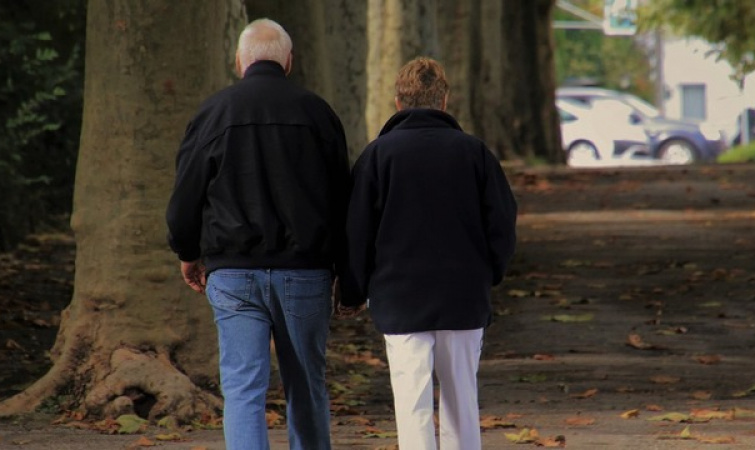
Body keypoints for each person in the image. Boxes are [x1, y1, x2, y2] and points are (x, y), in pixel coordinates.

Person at [165, 18, 349, 450]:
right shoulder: (318, 113)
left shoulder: (213, 113)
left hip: (232, 272)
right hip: (305, 272)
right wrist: (348, 273)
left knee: (243, 389)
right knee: (306, 384)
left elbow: (185, 197)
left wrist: (187, 251)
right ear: (288, 61)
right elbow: (343, 199)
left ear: (238, 61)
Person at [342, 57, 517, 450]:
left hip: (399, 295)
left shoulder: (377, 157)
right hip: (463, 293)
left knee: (412, 403)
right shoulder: (475, 154)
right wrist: (490, 273)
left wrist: (352, 290)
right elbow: (502, 223)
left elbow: (357, 232)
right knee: (461, 400)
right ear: (444, 101)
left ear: (398, 102)